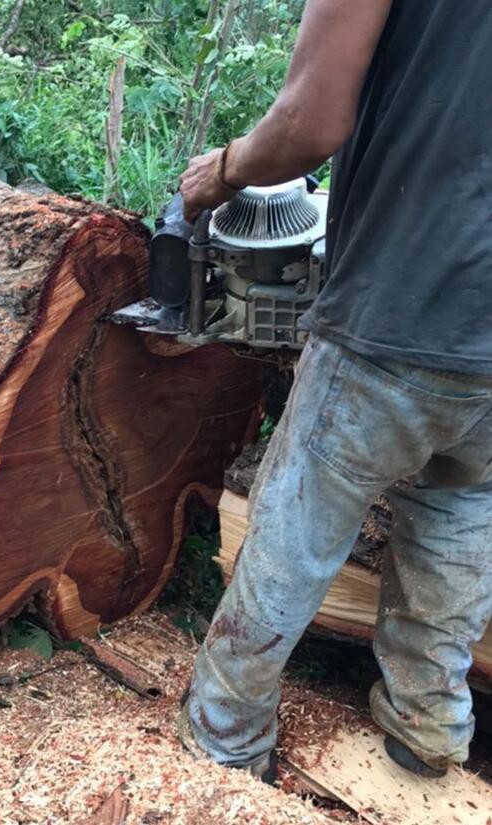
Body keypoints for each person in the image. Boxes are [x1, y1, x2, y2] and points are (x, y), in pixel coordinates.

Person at [176, 0, 492, 783]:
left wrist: (220, 170)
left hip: (405, 294)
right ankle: (430, 724)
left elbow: (310, 123)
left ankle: (225, 738)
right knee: (459, 512)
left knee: (299, 520)